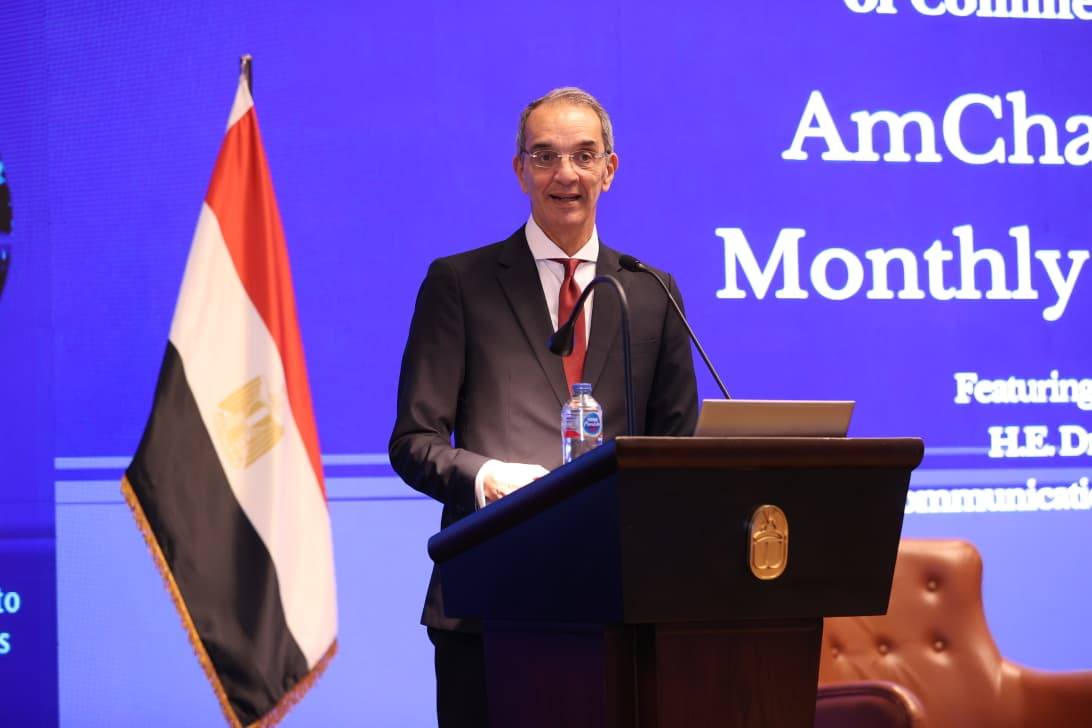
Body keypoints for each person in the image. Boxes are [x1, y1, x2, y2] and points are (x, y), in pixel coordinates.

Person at [389, 87, 699, 728]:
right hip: (489, 600)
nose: (566, 174)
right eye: (546, 155)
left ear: (610, 170)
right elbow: (414, 441)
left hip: (620, 607)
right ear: (520, 170)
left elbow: (675, 450)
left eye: (584, 155)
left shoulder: (651, 291)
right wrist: (488, 477)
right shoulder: (460, 284)